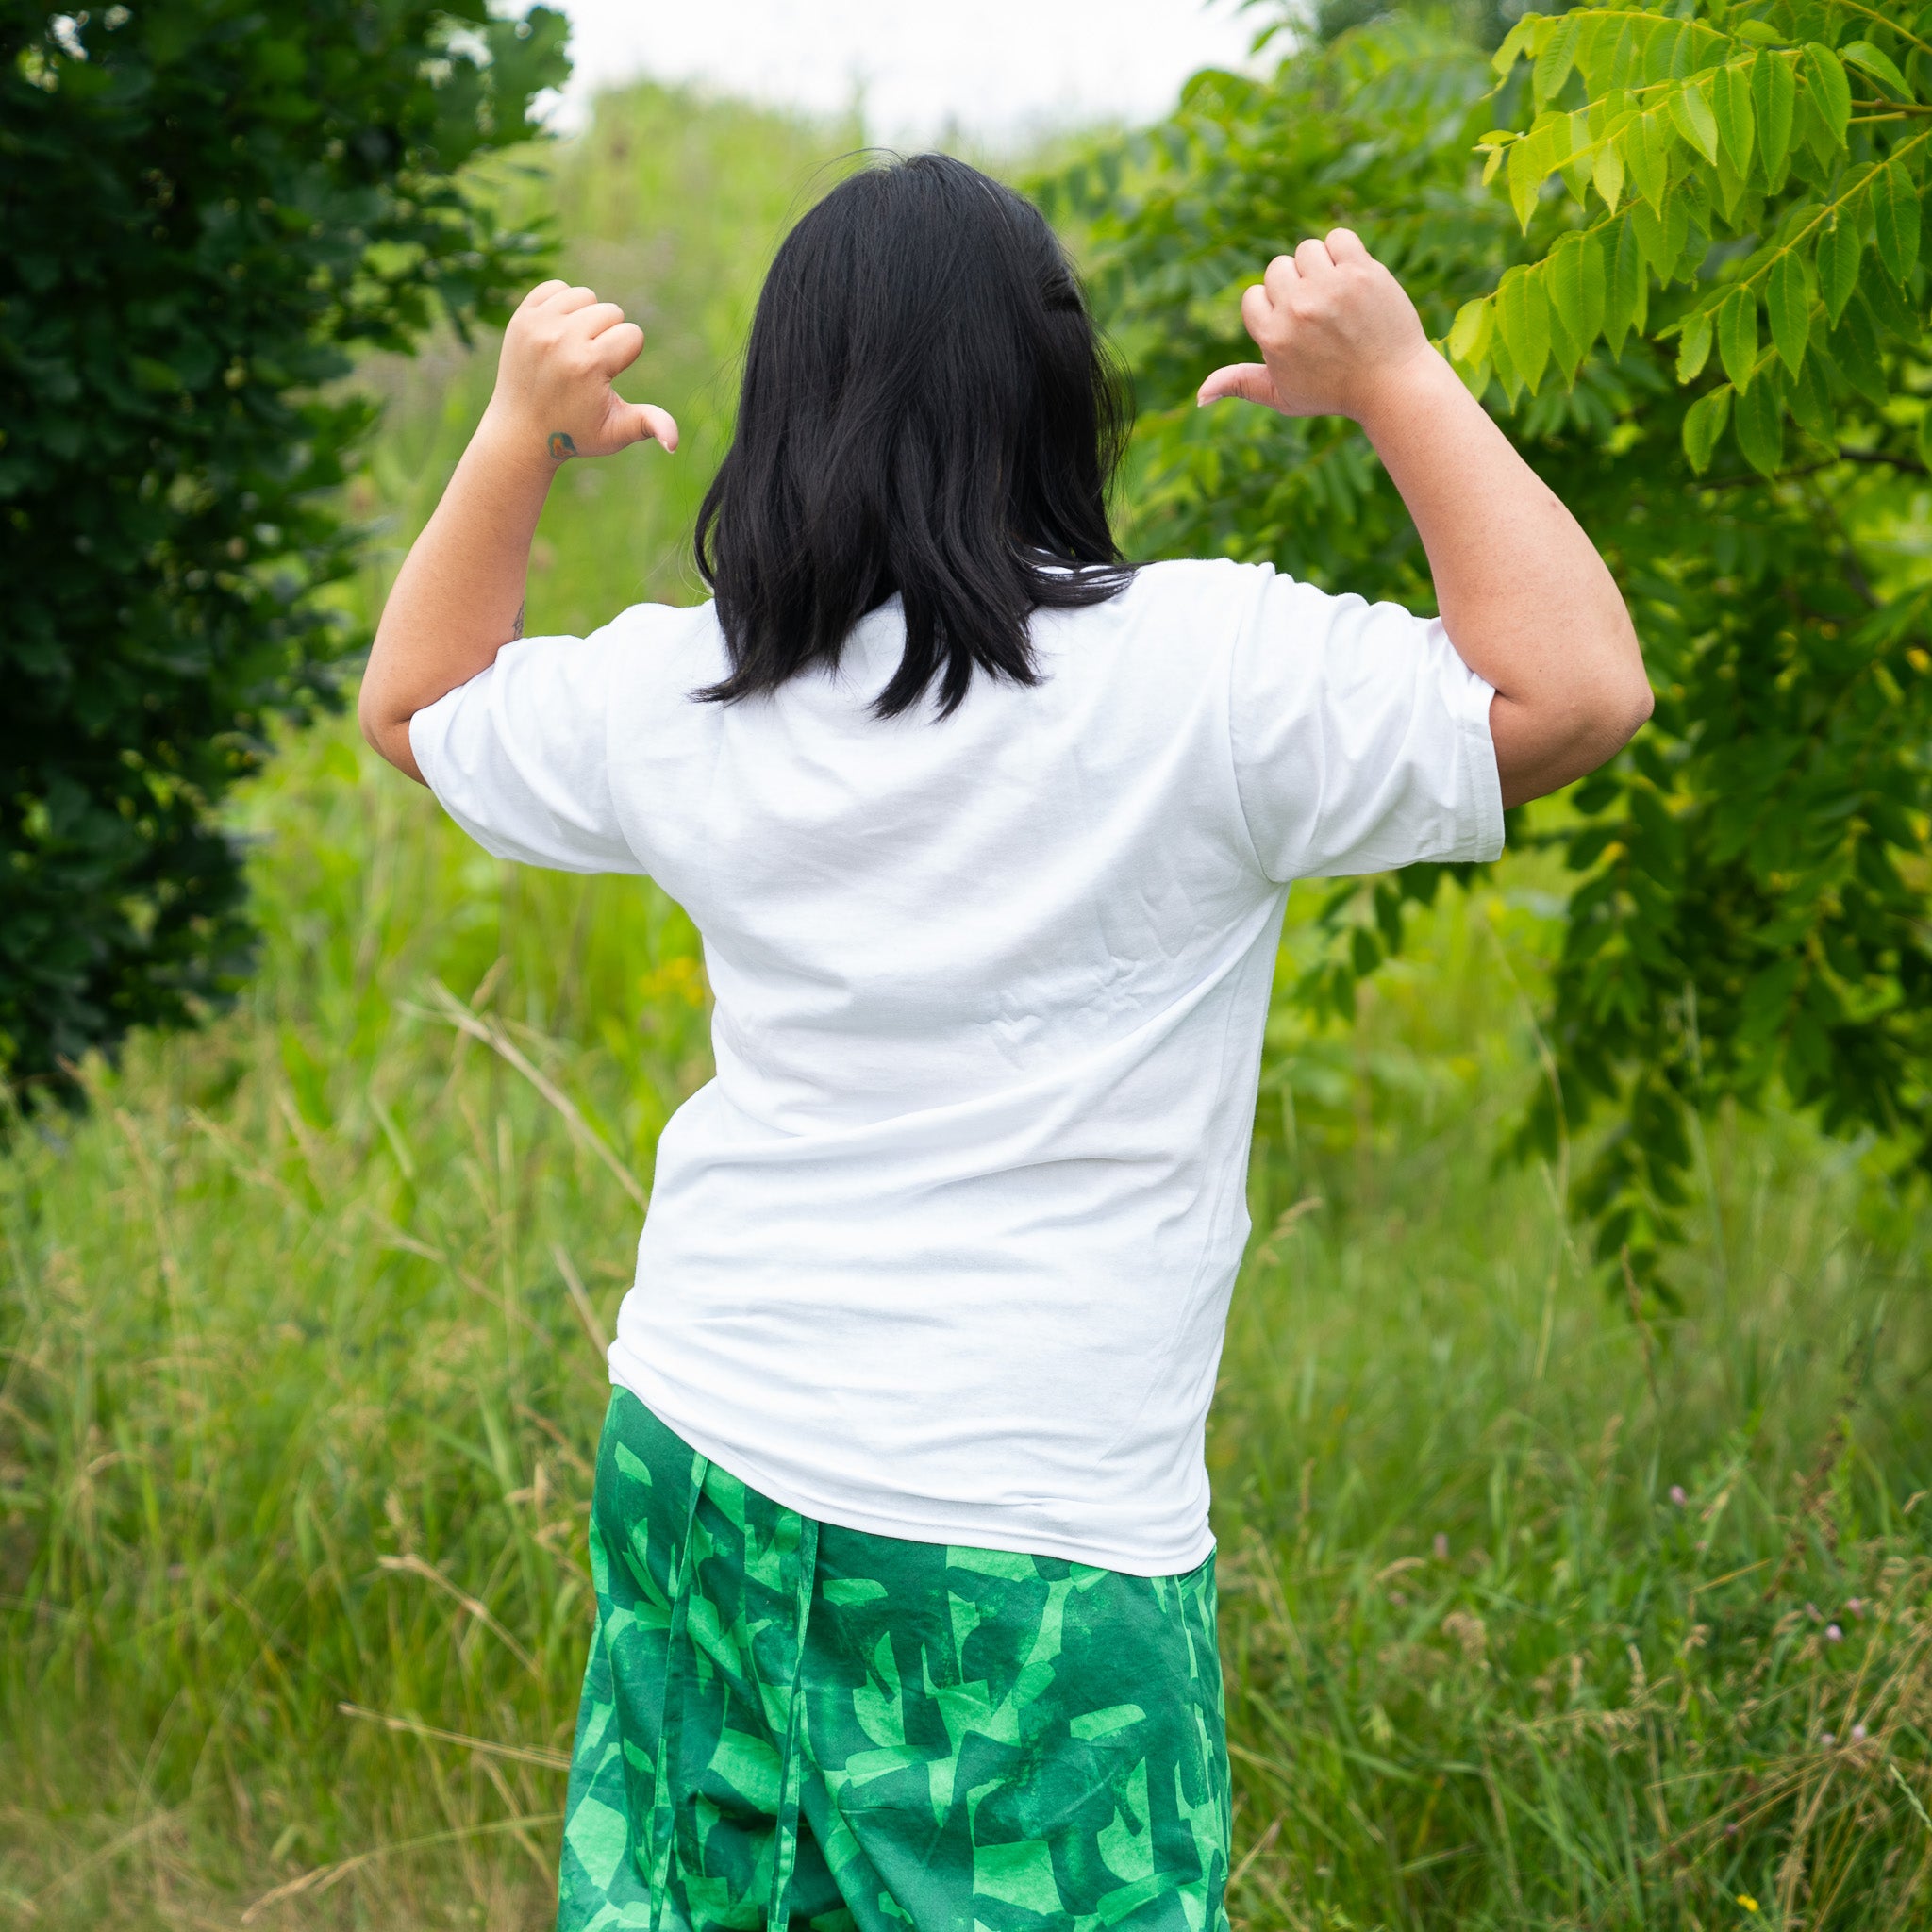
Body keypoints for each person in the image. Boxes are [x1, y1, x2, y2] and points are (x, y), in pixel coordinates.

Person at [360, 153, 1648, 1932]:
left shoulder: (698, 689)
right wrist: (1400, 382)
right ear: (1060, 394)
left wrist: (514, 433)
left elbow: (415, 709)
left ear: (789, 409)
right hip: (1031, 1540)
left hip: (706, 1446)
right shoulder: (1211, 676)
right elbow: (1577, 690)